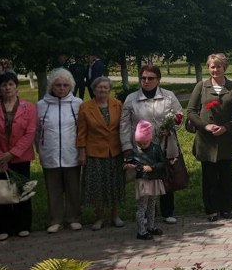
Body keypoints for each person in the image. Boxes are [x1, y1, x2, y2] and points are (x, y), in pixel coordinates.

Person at [120, 64, 184, 225]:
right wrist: (126, 147)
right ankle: (147, 214)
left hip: (164, 143)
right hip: (142, 149)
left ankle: (168, 212)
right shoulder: (131, 99)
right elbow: (124, 125)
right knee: (146, 180)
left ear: (158, 80)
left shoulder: (168, 96)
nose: (146, 81)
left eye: (150, 78)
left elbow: (179, 115)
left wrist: (171, 128)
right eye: (143, 78)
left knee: (165, 176)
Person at [187, 53, 232, 221]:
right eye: (212, 66)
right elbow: (191, 111)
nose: (215, 69)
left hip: (226, 139)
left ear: (224, 67)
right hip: (206, 139)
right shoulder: (201, 86)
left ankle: (226, 208)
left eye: (218, 66)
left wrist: (226, 127)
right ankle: (211, 209)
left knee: (226, 176)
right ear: (208, 68)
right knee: (209, 177)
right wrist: (205, 125)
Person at [0, 73, 37, 240]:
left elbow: (30, 132)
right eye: (4, 85)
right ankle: (2, 228)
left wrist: (12, 154)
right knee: (1, 192)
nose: (7, 88)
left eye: (11, 84)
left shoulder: (29, 108)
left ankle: (22, 225)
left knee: (22, 191)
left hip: (20, 157)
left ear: (16, 87)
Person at [37, 68, 84, 233]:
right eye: (58, 85)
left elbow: (82, 130)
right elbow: (37, 131)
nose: (62, 88)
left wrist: (82, 151)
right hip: (49, 152)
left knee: (73, 187)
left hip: (71, 153)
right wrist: (40, 151)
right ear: (52, 86)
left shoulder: (77, 104)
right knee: (53, 188)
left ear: (70, 86)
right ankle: (55, 219)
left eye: (65, 85)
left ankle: (74, 217)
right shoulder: (41, 105)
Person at [76, 76, 125, 230]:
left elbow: (122, 128)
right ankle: (99, 218)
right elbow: (81, 133)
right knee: (98, 187)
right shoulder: (85, 107)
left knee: (115, 184)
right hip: (95, 153)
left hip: (115, 152)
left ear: (109, 89)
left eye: (105, 87)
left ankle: (115, 215)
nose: (102, 90)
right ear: (93, 89)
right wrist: (82, 153)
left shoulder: (117, 104)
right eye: (99, 87)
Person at [127, 120, 166, 240]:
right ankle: (141, 231)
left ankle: (151, 226)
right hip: (142, 181)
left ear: (150, 139)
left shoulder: (156, 148)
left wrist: (153, 167)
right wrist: (128, 165)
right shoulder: (136, 151)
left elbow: (163, 163)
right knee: (142, 206)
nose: (142, 146)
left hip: (154, 180)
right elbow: (129, 162)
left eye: (145, 143)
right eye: (140, 143)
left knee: (152, 204)